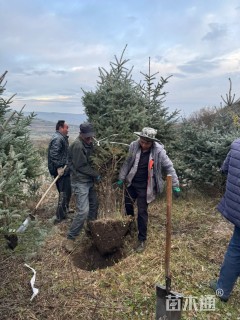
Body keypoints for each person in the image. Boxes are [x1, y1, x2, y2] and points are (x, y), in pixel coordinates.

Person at [117, 127, 180, 253]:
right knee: (128, 206)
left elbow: (169, 167)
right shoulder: (134, 146)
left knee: (142, 212)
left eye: (147, 143)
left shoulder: (158, 151)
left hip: (146, 187)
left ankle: (141, 239)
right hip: (132, 183)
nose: (144, 145)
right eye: (142, 141)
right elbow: (127, 162)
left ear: (152, 142)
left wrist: (175, 184)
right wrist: (121, 177)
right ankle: (129, 227)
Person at [210, 138, 240, 302]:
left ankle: (222, 289)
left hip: (237, 209)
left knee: (235, 249)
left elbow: (225, 169)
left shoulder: (236, 144)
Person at [65, 122, 100, 253]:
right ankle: (70, 238)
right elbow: (81, 166)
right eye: (87, 137)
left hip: (89, 180)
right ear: (81, 134)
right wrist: (96, 174)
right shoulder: (77, 146)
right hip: (80, 181)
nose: (90, 139)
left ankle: (90, 230)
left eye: (91, 136)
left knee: (94, 205)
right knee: (83, 211)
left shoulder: (89, 142)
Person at [48, 120, 71, 223]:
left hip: (64, 170)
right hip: (61, 171)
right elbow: (54, 154)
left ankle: (65, 210)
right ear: (61, 128)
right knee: (64, 192)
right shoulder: (58, 139)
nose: (68, 129)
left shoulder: (61, 138)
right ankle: (60, 217)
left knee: (67, 191)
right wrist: (59, 167)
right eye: (66, 127)